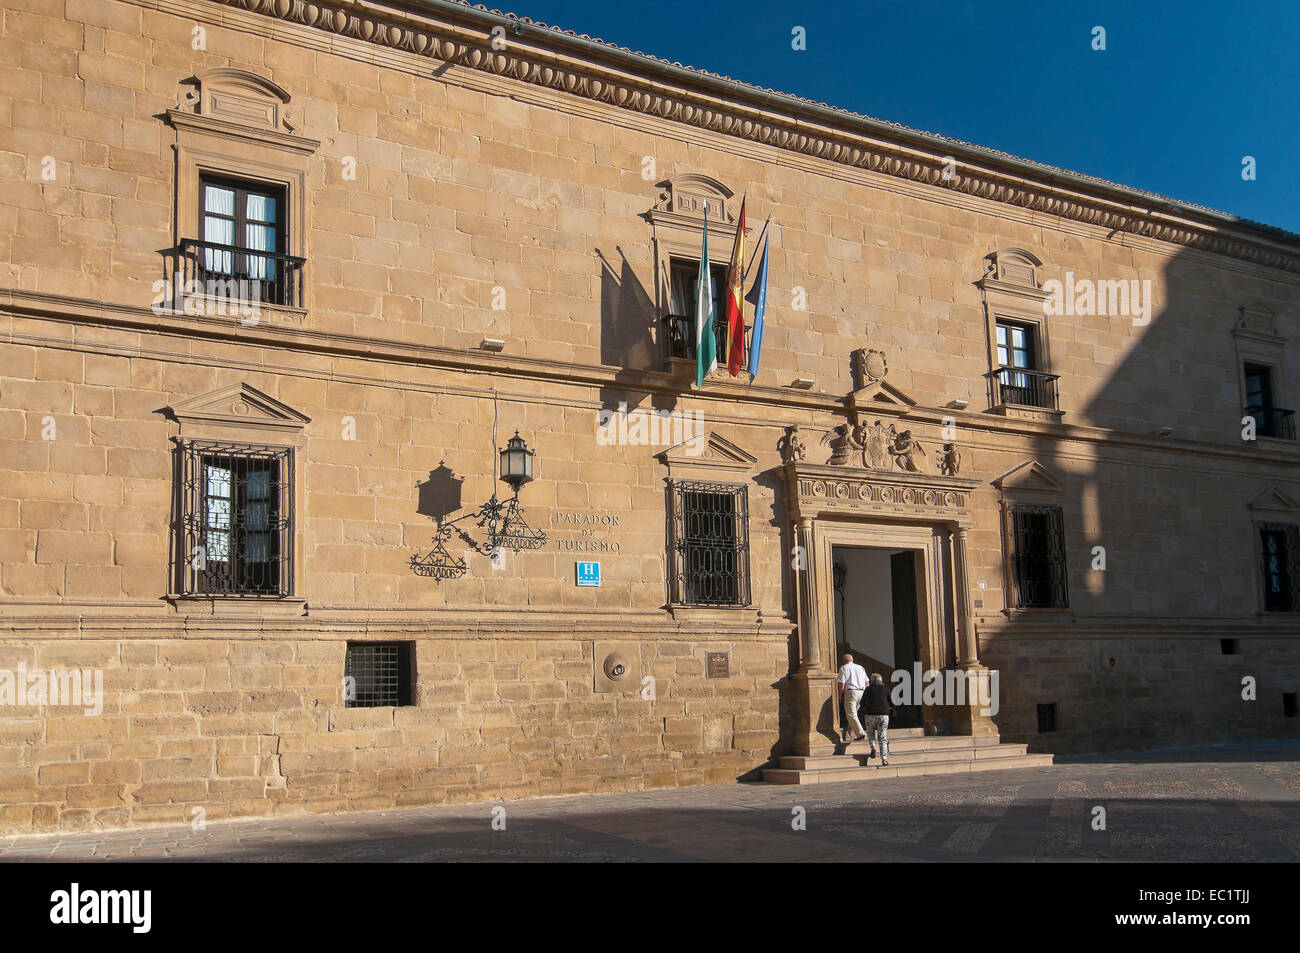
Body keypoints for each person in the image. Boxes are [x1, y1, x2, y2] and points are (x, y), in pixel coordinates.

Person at [835, 653, 868, 743]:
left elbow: (841, 682)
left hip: (851, 692)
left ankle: (861, 733)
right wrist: (865, 692)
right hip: (861, 692)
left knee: (851, 714)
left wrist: (840, 694)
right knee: (854, 713)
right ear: (852, 660)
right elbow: (867, 682)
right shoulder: (860, 668)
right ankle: (850, 732)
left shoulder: (844, 668)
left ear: (844, 661)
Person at [860, 672, 892, 765]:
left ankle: (873, 747)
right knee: (882, 737)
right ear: (881, 680)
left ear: (871, 681)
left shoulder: (868, 689)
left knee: (870, 733)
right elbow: (891, 702)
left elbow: (862, 703)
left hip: (870, 714)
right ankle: (884, 759)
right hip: (883, 715)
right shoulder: (885, 689)